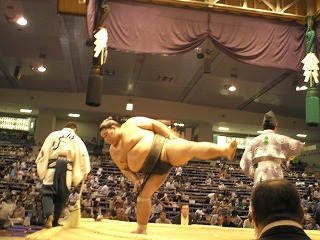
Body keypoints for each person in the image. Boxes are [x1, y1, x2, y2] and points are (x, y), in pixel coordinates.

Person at [99, 116, 237, 234]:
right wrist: (135, 180)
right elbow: (124, 169)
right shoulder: (113, 151)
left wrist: (169, 134)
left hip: (164, 148)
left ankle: (225, 150)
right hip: (150, 172)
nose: (106, 139)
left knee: (190, 147)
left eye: (106, 134)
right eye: (103, 137)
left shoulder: (131, 123)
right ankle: (141, 229)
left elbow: (154, 124)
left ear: (113, 127)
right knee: (143, 196)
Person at [36, 122, 91, 228]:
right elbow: (83, 155)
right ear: (74, 129)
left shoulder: (53, 134)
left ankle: (48, 215)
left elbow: (44, 151)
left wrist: (42, 168)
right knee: (61, 196)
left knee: (47, 192)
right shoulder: (77, 138)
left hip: (52, 167)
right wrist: (84, 171)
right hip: (67, 170)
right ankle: (55, 220)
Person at [240, 111, 304, 187]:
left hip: (260, 171)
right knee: (276, 194)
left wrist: (252, 172)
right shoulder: (280, 138)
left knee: (261, 195)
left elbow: (244, 162)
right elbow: (299, 147)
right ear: (275, 128)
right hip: (275, 170)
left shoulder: (254, 141)